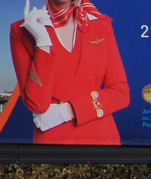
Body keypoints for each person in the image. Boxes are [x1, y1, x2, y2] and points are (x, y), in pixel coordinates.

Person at [9, 0, 128, 144]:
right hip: (53, 140)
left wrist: (64, 112)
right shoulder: (21, 30)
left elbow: (120, 93)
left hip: (102, 138)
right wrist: (42, 42)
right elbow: (37, 104)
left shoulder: (100, 24)